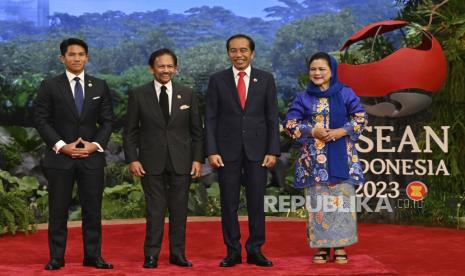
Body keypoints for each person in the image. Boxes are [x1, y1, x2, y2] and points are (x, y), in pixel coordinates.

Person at [34, 38, 114, 270]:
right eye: (72, 54)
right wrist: (61, 145)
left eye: (81, 54)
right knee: (58, 211)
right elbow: (41, 120)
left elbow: (108, 121)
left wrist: (94, 145)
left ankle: (93, 256)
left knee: (93, 211)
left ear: (87, 58)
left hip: (92, 158)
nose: (77, 58)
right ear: (62, 58)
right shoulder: (49, 85)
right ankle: (57, 258)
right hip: (60, 159)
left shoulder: (100, 86)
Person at [284, 52, 368, 264]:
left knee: (341, 203)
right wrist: (312, 131)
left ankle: (340, 245)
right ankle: (321, 246)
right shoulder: (303, 97)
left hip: (342, 158)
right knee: (318, 204)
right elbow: (290, 124)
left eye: (322, 69)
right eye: (313, 69)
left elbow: (360, 117)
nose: (317, 73)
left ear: (331, 71)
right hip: (313, 162)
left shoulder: (346, 93)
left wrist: (342, 131)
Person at [123, 48, 203, 269]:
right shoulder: (139, 94)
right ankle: (151, 255)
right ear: (152, 69)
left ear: (175, 69)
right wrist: (133, 159)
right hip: (150, 162)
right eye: (161, 66)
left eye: (170, 66)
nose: (165, 70)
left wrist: (197, 160)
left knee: (179, 211)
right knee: (154, 211)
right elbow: (129, 131)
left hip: (182, 162)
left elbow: (197, 131)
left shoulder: (187, 93)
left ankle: (178, 254)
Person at [205, 34, 280, 267]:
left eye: (244, 50)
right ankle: (233, 251)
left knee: (257, 203)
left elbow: (271, 117)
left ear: (252, 53)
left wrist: (273, 150)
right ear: (228, 53)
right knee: (229, 204)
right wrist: (212, 150)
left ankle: (256, 250)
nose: (239, 55)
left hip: (258, 152)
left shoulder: (265, 79)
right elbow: (211, 118)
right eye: (234, 50)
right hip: (226, 153)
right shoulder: (217, 80)